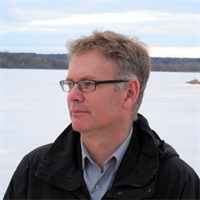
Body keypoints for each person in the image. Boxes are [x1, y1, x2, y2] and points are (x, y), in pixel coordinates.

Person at [3, 30, 200, 200]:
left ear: (129, 93)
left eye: (88, 84)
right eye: (70, 84)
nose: (73, 95)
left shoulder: (176, 182)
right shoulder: (34, 172)